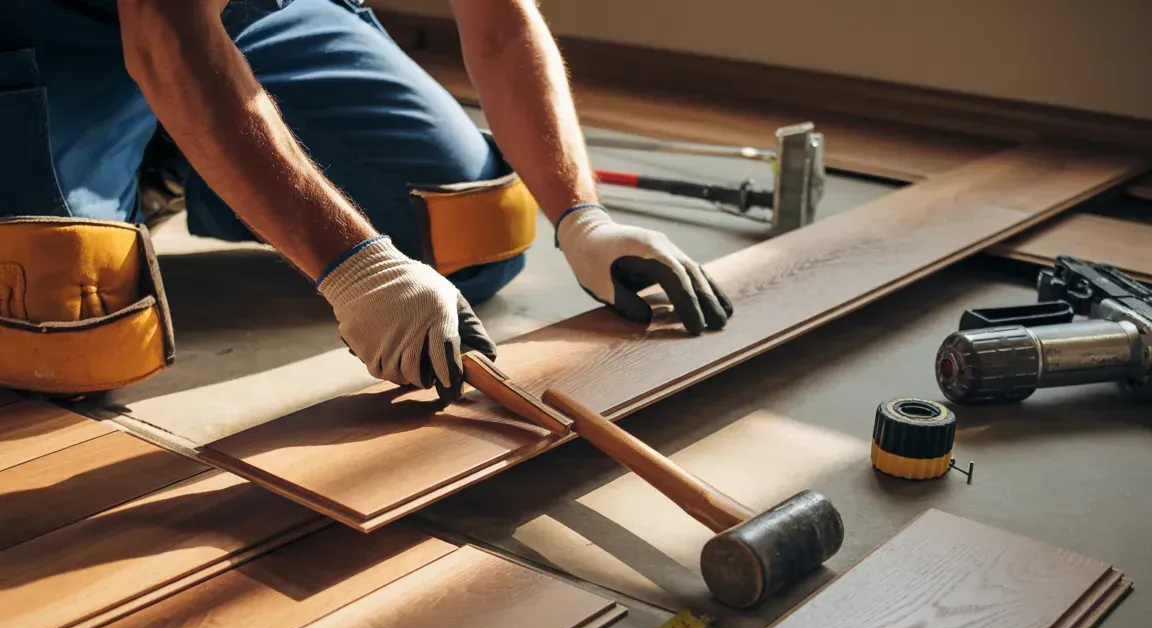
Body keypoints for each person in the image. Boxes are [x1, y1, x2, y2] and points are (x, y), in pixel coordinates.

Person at [0, 0, 732, 402]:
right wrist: (358, 269)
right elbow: (165, 36)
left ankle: (183, 149)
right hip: (56, 22)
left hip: (250, 11)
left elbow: (502, 27)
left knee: (471, 232)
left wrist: (582, 219)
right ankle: (183, 134)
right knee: (68, 328)